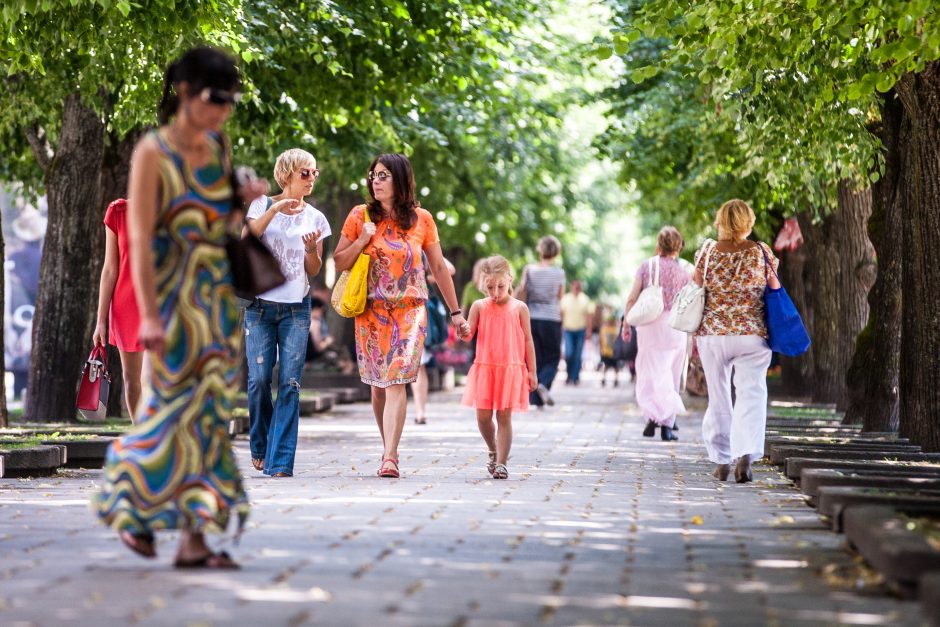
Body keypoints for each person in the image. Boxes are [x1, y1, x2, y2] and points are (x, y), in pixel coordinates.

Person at [93, 47, 264, 569]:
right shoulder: (153, 152)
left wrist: (243, 202)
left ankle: (194, 541)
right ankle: (131, 507)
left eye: (231, 100)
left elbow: (222, 228)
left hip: (213, 302)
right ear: (186, 93)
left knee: (209, 417)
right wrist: (147, 313)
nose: (225, 109)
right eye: (217, 98)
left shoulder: (217, 145)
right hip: (167, 300)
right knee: (169, 410)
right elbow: (139, 240)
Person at [333, 153, 467, 479]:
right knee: (378, 386)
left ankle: (391, 455)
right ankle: (386, 446)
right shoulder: (359, 216)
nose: (375, 181)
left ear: (400, 180)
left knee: (396, 381)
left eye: (383, 176)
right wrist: (363, 239)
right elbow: (339, 261)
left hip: (410, 313)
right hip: (370, 312)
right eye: (373, 175)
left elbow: (437, 267)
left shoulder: (422, 220)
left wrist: (456, 313)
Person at [243, 148, 330, 478]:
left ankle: (280, 462)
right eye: (304, 173)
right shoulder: (262, 205)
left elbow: (315, 268)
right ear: (286, 175)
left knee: (290, 383)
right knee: (259, 380)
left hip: (297, 308)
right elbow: (247, 237)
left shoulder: (316, 218)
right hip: (260, 307)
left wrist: (310, 250)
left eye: (314, 173)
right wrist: (276, 208)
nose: (311, 179)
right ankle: (260, 445)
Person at [694, 199, 780, 483]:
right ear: (748, 222)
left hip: (714, 334)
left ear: (720, 221)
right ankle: (744, 456)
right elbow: (774, 287)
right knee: (751, 394)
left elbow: (696, 288)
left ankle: (720, 460)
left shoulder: (706, 252)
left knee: (718, 396)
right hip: (751, 334)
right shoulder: (761, 252)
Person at [460, 255, 537, 479]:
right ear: (482, 284)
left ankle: (502, 463)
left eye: (500, 286)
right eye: (490, 287)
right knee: (483, 417)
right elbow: (469, 335)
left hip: (510, 369)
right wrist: (463, 331)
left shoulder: (520, 308)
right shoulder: (479, 306)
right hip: (485, 368)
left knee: (504, 417)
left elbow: (528, 340)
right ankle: (493, 450)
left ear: (510, 279)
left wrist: (532, 371)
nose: (495, 292)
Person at [624, 226, 690, 441]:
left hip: (650, 325)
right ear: (679, 246)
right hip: (676, 326)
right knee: (671, 373)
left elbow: (632, 298)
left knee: (650, 372)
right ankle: (667, 425)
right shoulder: (686, 270)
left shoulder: (646, 266)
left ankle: (651, 419)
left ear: (658, 244)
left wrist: (626, 323)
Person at [92, 199, 146, 423]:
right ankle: (142, 440)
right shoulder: (118, 211)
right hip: (127, 306)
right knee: (131, 380)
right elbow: (110, 268)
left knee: (152, 378)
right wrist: (100, 320)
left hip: (163, 304)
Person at [516, 235, 565, 408]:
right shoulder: (559, 273)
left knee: (533, 358)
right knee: (552, 357)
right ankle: (543, 383)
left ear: (540, 250)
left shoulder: (529, 269)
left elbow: (522, 290)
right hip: (551, 317)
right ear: (556, 252)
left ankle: (535, 399)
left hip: (531, 317)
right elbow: (560, 296)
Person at [411, 256, 454, 425]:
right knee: (418, 366)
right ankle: (419, 411)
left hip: (419, 311)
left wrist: (427, 276)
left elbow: (449, 268)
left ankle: (419, 411)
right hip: (407, 310)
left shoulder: (423, 247)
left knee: (418, 365)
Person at [559, 279, 594, 385]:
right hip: (568, 330)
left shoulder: (585, 299)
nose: (576, 288)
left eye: (578, 286)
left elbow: (589, 317)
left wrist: (589, 331)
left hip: (580, 330)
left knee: (578, 355)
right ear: (572, 287)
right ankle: (569, 374)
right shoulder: (565, 299)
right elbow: (561, 314)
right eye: (575, 286)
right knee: (569, 354)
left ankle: (575, 377)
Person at [597, 306, 622, 387]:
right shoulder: (604, 329)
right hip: (606, 351)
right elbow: (601, 340)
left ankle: (616, 379)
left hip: (614, 352)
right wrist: (601, 349)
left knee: (615, 367)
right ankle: (604, 378)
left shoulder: (615, 329)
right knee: (606, 366)